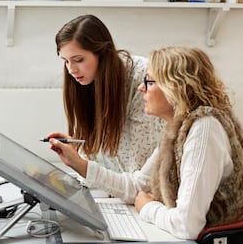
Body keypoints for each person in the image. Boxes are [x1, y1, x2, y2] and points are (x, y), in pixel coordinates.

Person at [48, 45, 243, 244]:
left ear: (177, 87)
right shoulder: (178, 127)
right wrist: (80, 164)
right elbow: (138, 185)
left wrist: (148, 208)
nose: (141, 89)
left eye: (150, 82)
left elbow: (186, 225)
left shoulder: (203, 130)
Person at [47, 14, 163, 173]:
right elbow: (99, 156)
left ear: (102, 52)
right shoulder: (86, 80)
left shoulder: (142, 79)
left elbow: (139, 169)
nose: (71, 70)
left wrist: (113, 184)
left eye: (79, 60)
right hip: (124, 187)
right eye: (66, 61)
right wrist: (76, 154)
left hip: (148, 187)